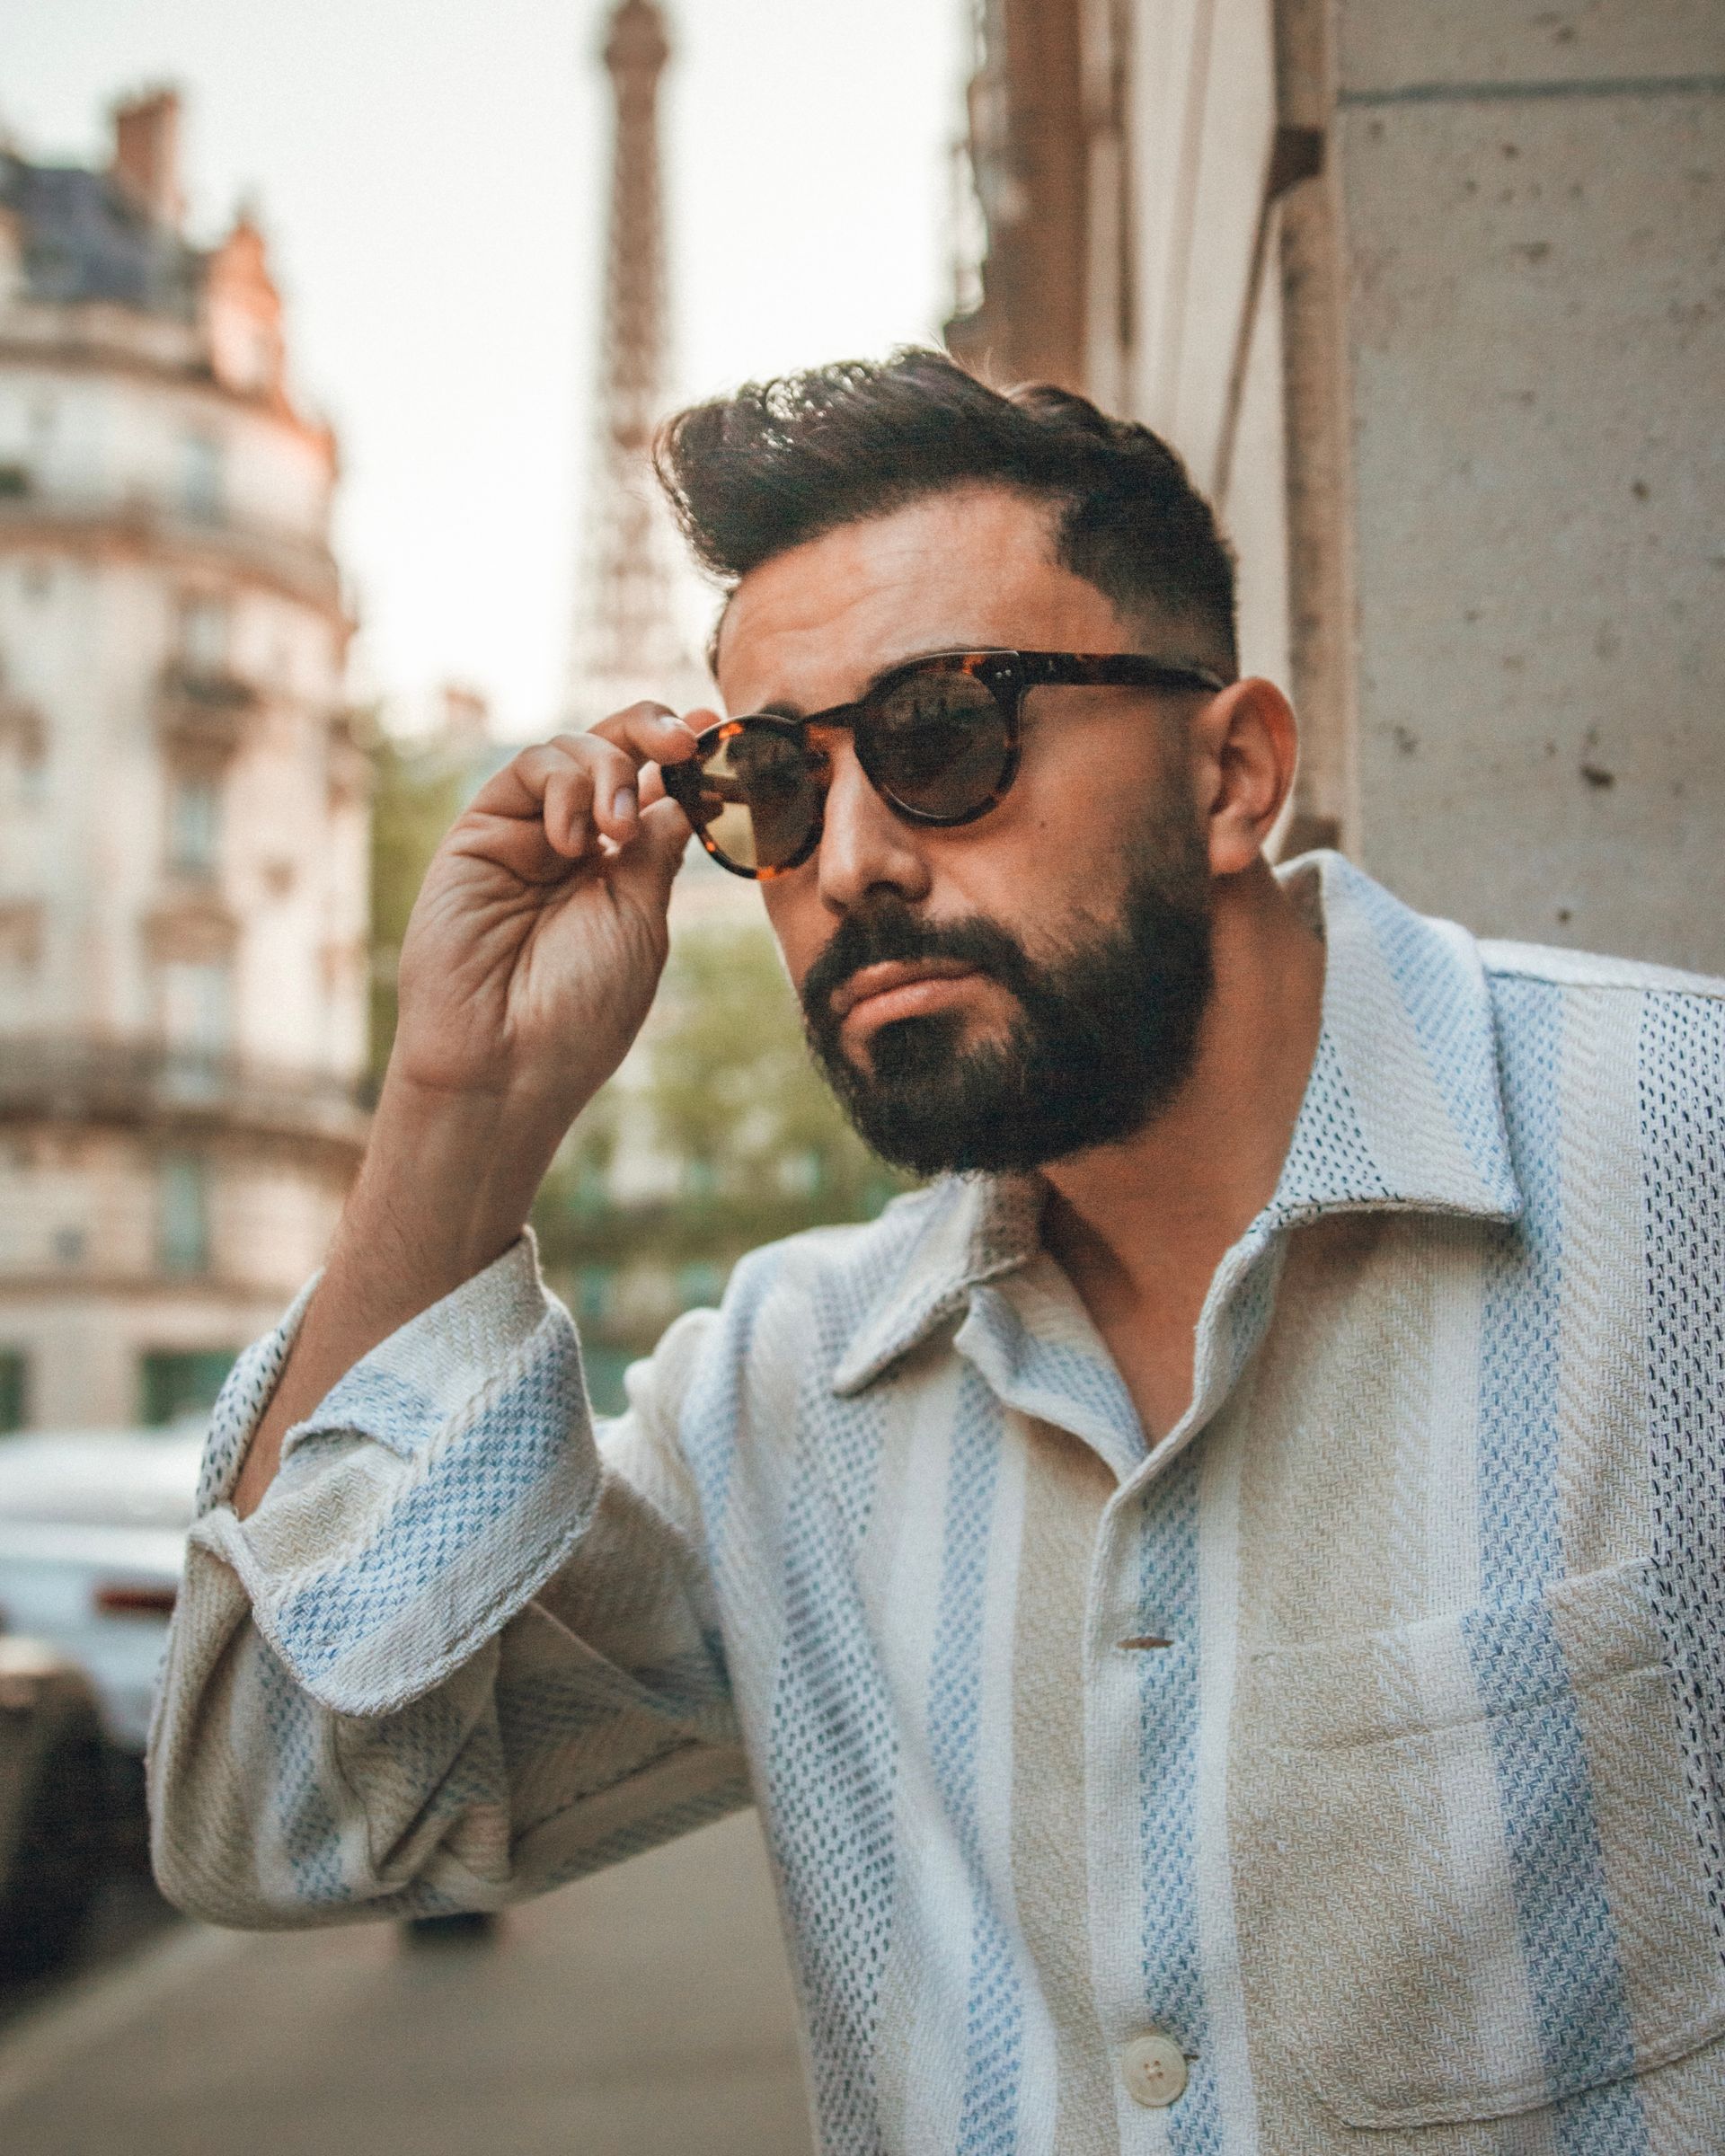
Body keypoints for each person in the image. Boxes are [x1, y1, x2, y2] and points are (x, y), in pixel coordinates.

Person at [149, 351, 1725, 2152]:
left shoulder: (1679, 1171)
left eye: (945, 736)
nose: (853, 862)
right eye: (774, 785)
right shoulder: (785, 1400)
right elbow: (278, 1816)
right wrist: (463, 1109)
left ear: (1234, 772)